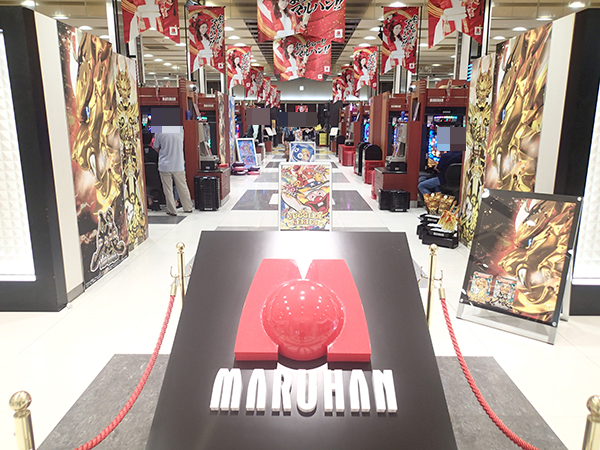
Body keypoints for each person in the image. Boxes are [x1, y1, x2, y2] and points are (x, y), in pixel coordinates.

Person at [153, 131, 194, 216]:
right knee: (182, 186)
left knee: (168, 189)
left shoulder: (159, 132)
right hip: (178, 164)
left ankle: (172, 210)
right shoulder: (180, 130)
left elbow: (155, 147)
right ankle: (188, 207)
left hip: (165, 165)